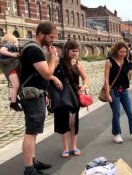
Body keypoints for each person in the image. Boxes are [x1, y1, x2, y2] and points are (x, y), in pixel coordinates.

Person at [20, 22, 57, 175]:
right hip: (32, 96)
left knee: (34, 131)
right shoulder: (35, 50)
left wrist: (45, 93)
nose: (52, 40)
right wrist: (53, 58)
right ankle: (29, 170)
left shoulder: (34, 48)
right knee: (31, 131)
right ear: (41, 33)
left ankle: (33, 161)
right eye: (51, 37)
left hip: (36, 93)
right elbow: (47, 74)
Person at [51, 39, 89, 158]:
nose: (75, 53)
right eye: (73, 51)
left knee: (73, 122)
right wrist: (55, 79)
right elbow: (47, 74)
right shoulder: (58, 61)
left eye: (77, 51)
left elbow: (85, 78)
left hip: (74, 96)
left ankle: (74, 146)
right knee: (63, 122)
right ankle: (65, 148)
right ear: (67, 50)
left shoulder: (78, 63)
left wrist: (84, 86)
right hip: (61, 96)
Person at [104, 41, 132, 144]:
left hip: (124, 90)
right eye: (121, 52)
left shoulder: (126, 61)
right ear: (116, 51)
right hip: (113, 91)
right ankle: (116, 134)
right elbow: (106, 79)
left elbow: (128, 75)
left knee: (130, 112)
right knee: (117, 113)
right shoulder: (109, 61)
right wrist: (107, 93)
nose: (123, 54)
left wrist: (131, 66)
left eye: (125, 52)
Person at [0, 33, 22, 111]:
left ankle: (14, 97)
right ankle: (13, 103)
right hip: (10, 68)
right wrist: (12, 54)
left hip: (9, 68)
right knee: (15, 85)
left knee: (14, 85)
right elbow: (2, 50)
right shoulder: (10, 45)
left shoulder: (10, 46)